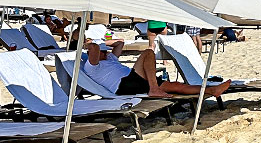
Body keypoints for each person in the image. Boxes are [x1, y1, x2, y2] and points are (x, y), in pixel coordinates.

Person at [84, 42, 231, 98]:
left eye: (105, 51)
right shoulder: (91, 66)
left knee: (175, 86)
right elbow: (94, 48)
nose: (105, 52)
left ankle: (212, 91)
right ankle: (154, 88)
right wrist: (88, 43)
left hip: (134, 79)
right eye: (103, 51)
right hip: (123, 84)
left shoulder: (110, 59)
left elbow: (120, 43)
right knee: (148, 53)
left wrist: (105, 44)